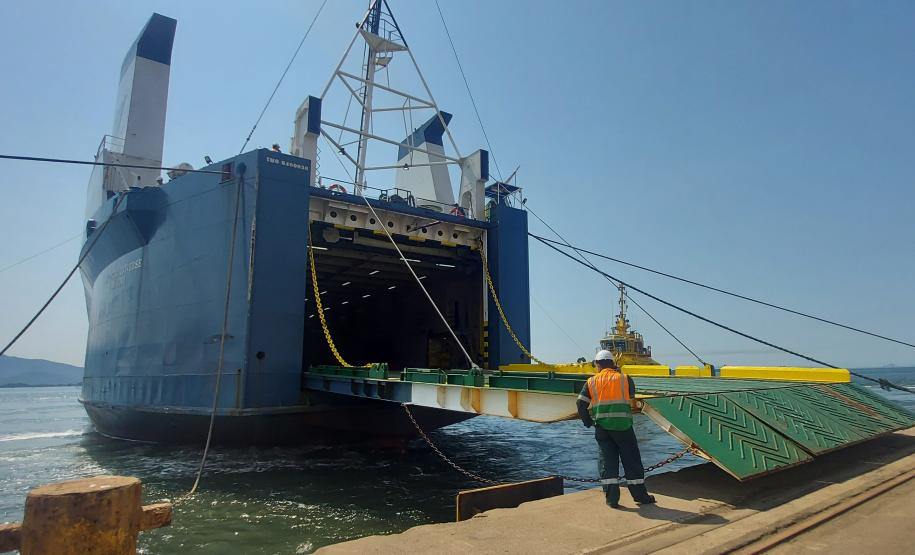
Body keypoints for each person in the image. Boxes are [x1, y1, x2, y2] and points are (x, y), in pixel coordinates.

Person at [577, 350, 656, 508]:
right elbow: (631, 398)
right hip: (623, 427)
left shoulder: (591, 381)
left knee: (607, 463)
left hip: (602, 428)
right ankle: (640, 496)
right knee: (632, 461)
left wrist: (588, 422)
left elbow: (580, 403)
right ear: (613, 363)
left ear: (597, 364)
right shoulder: (625, 379)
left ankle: (612, 499)